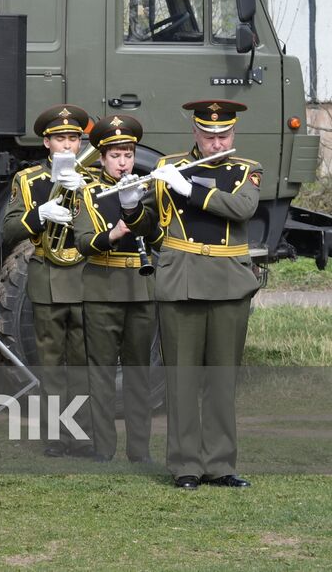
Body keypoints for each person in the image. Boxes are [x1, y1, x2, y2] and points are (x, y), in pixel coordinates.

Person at [150, 100, 260, 490]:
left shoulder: (246, 170)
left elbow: (242, 208)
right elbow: (149, 218)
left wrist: (192, 189)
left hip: (229, 281)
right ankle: (185, 466)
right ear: (195, 133)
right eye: (210, 136)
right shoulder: (169, 167)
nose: (217, 142)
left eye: (224, 136)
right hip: (181, 278)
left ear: (233, 134)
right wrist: (129, 207)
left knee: (221, 378)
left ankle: (220, 464)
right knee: (181, 378)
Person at [2, 104, 94, 457]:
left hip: (87, 274)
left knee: (83, 362)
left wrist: (85, 194)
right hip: (48, 274)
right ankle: (56, 436)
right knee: (51, 365)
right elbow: (8, 230)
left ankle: (83, 435)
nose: (68, 146)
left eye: (73, 138)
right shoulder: (29, 180)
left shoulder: (92, 176)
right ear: (46, 142)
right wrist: (39, 214)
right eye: (60, 139)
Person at [71, 114, 162, 465]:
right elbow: (82, 243)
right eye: (115, 156)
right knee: (102, 372)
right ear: (101, 158)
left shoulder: (145, 189)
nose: (123, 162)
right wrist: (112, 236)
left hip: (140, 287)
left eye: (128, 155)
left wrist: (135, 209)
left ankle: (139, 450)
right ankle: (103, 448)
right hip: (102, 288)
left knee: (139, 372)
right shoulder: (88, 192)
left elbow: (156, 237)